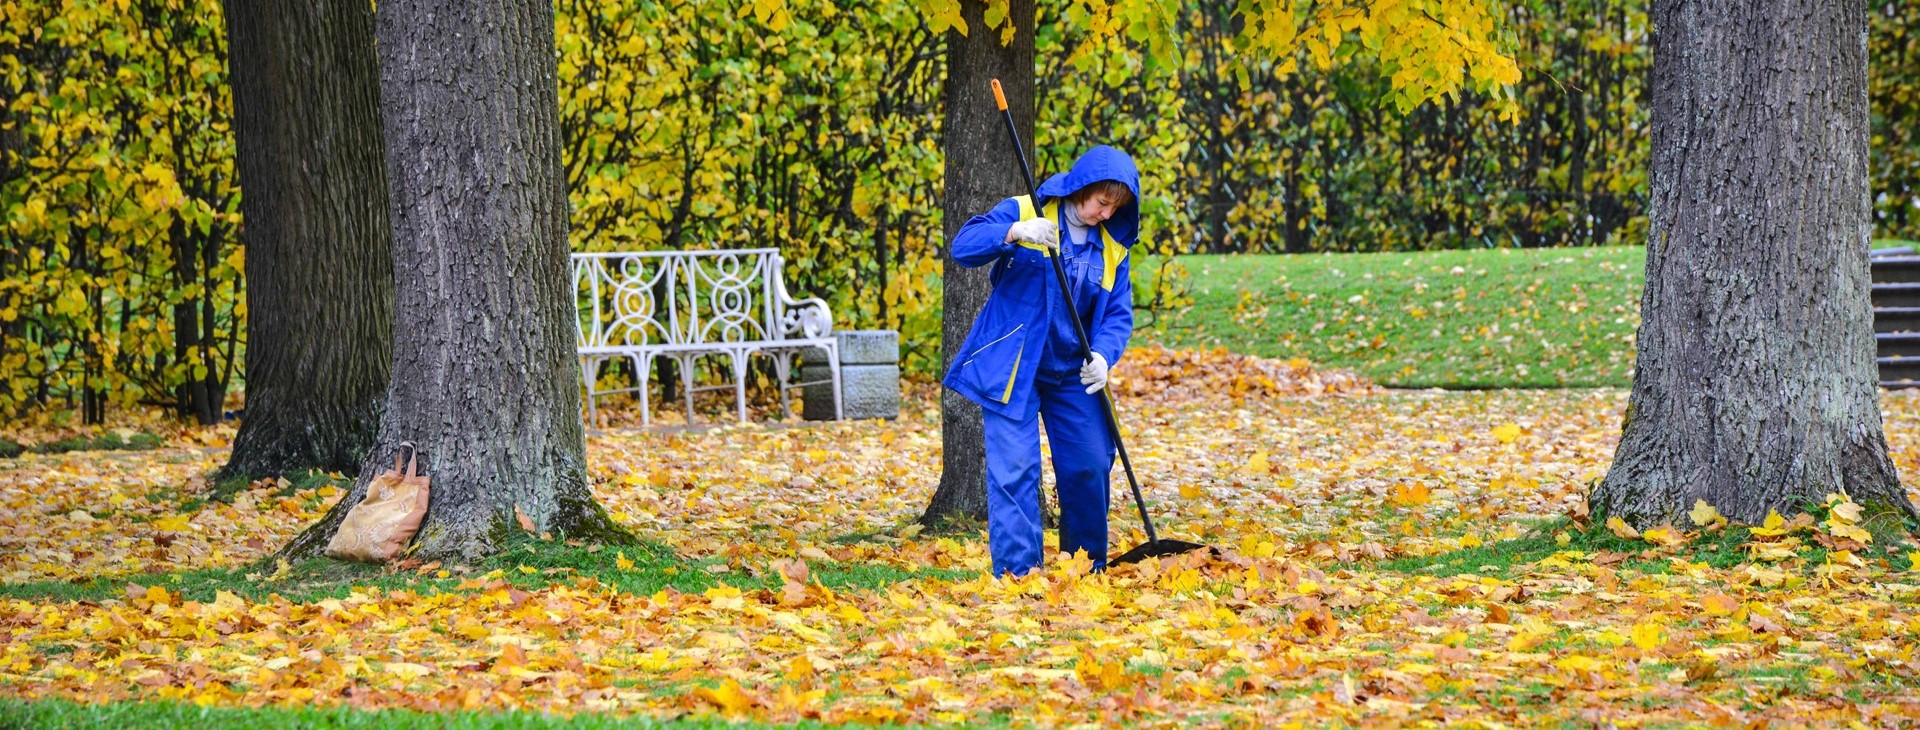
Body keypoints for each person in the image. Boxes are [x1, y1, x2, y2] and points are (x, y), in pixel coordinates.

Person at [944, 145, 1140, 577]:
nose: (1106, 214)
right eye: (1102, 202)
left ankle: (1083, 569)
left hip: (1072, 371)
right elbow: (963, 246)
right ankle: (1020, 575)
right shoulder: (1025, 209)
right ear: (1081, 187)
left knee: (1090, 464)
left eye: (1115, 208)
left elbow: (1117, 315)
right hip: (1014, 366)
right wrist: (1015, 231)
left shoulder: (1113, 248)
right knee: (1015, 470)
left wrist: (1103, 356)